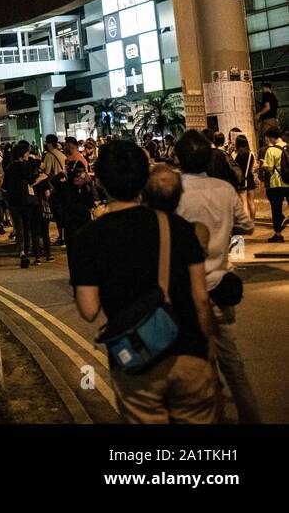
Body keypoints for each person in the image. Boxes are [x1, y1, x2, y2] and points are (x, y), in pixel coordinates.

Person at [68, 140, 217, 424]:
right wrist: (207, 349)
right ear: (143, 180)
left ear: (100, 182)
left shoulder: (86, 239)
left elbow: (89, 310)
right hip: (189, 352)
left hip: (137, 359)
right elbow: (200, 297)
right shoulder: (178, 227)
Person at [173, 131, 259, 423]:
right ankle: (250, 417)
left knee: (192, 365)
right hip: (220, 287)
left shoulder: (174, 192)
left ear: (177, 158)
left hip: (184, 293)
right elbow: (247, 226)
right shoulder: (224, 189)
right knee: (232, 362)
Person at [260, 125, 288, 242]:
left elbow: (269, 168)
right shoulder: (288, 147)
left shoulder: (270, 150)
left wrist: (263, 164)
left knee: (276, 209)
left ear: (271, 138)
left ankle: (278, 235)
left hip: (276, 184)